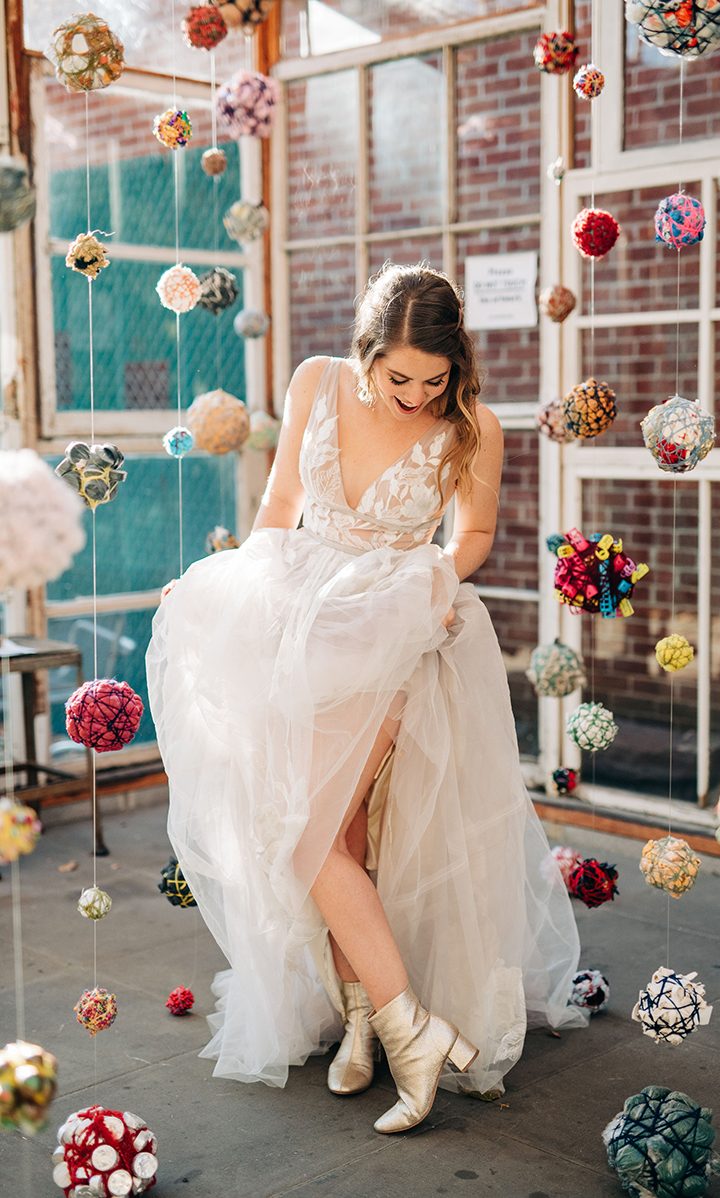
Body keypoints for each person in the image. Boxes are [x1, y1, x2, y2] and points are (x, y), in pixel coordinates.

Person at [146, 263, 584, 1135]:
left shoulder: (474, 426)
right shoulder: (314, 381)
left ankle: (410, 1030)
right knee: (338, 834)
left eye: (435, 380)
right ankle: (360, 1022)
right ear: (365, 353)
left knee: (306, 833)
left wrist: (426, 581)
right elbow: (281, 504)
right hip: (299, 615)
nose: (417, 396)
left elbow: (475, 535)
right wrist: (234, 595)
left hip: (388, 624)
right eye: (399, 379)